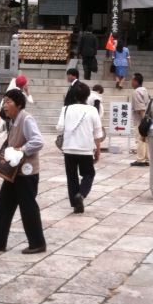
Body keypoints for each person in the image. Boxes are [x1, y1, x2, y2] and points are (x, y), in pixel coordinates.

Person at [0, 88, 47, 254]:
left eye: (8, 102)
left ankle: (38, 243)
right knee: (3, 204)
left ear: (19, 104)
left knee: (28, 207)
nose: (5, 105)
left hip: (26, 173)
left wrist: (22, 149)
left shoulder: (26, 118)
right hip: (13, 171)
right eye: (4, 102)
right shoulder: (13, 120)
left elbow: (38, 141)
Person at [56, 82, 104, 214]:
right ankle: (81, 194)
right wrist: (98, 149)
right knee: (89, 174)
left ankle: (75, 204)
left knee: (71, 176)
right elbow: (97, 132)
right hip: (85, 148)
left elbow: (59, 127)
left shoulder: (66, 109)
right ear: (87, 95)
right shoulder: (92, 110)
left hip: (69, 148)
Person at [130, 73, 150, 167]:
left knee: (140, 138)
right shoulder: (145, 90)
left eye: (132, 79)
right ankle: (146, 158)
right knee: (145, 138)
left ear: (136, 81)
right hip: (146, 116)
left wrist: (144, 121)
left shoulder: (136, 92)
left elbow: (140, 108)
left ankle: (141, 159)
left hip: (140, 119)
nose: (131, 81)